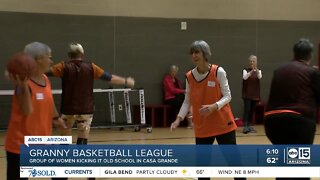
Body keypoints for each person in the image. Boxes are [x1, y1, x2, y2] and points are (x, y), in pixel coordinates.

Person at [170, 40, 246, 180]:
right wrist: (178, 119)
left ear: (205, 54)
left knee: (234, 163)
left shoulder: (218, 71)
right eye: (192, 52)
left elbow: (228, 96)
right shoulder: (189, 76)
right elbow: (187, 101)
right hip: (203, 126)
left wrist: (214, 106)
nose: (194, 55)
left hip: (223, 124)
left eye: (197, 52)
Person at [5, 42, 66, 180]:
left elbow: (49, 101)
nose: (51, 60)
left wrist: (56, 118)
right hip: (20, 145)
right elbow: (27, 110)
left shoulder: (45, 79)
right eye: (49, 57)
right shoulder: (23, 85)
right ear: (38, 59)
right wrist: (24, 87)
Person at [264, 39, 320, 180]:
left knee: (284, 164)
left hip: (272, 123)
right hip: (298, 123)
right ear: (310, 55)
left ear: (294, 53)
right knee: (299, 166)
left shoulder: (279, 70)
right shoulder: (312, 72)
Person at [242, 55, 262, 134]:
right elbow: (245, 77)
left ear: (256, 62)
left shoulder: (259, 70)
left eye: (253, 61)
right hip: (247, 94)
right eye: (250, 61)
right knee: (247, 110)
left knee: (252, 110)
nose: (252, 63)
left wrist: (256, 71)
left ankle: (250, 125)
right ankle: (245, 126)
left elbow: (260, 77)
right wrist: (251, 71)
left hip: (255, 94)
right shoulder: (245, 70)